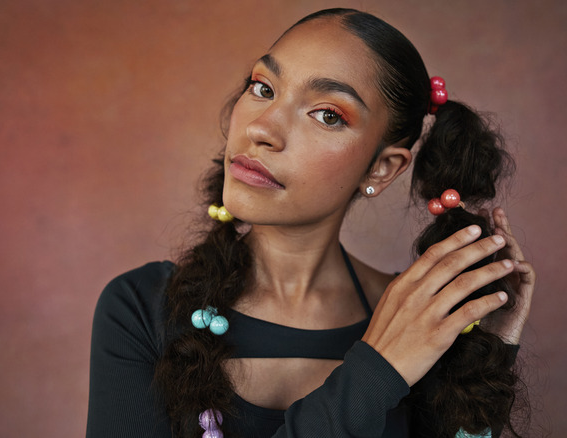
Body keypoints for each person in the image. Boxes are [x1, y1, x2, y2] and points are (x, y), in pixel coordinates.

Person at [87, 8, 535, 438]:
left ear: (381, 168)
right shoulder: (141, 309)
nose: (263, 128)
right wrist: (378, 370)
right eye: (263, 88)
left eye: (327, 115)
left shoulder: (422, 319)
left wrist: (486, 357)